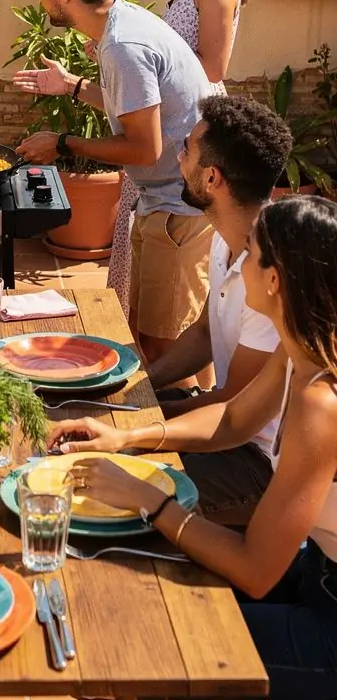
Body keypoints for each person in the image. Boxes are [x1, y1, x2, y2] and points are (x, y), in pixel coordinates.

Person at [46, 195, 337, 700]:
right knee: (156, 596)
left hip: (330, 629)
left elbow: (256, 569)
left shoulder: (322, 402)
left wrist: (150, 500)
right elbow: (234, 419)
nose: (239, 267)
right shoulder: (308, 348)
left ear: (277, 281)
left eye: (252, 258)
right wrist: (127, 438)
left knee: (160, 637)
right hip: (316, 580)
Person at [13, 0, 212, 363]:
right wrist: (73, 87)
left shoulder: (123, 45)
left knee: (168, 344)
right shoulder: (119, 24)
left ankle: (180, 422)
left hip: (180, 207)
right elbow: (139, 108)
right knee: (146, 329)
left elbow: (143, 147)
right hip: (164, 200)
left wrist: (62, 144)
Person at [108, 0, 247, 318]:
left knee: (174, 268)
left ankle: (171, 371)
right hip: (173, 124)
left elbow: (212, 67)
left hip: (192, 128)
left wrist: (149, 61)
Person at [148, 94, 291, 524]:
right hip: (221, 423)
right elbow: (206, 334)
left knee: (117, 484)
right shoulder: (223, 238)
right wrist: (140, 386)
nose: (178, 156)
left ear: (211, 178)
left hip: (255, 464)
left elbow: (233, 406)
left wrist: (142, 426)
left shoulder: (270, 275)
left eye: (187, 149)